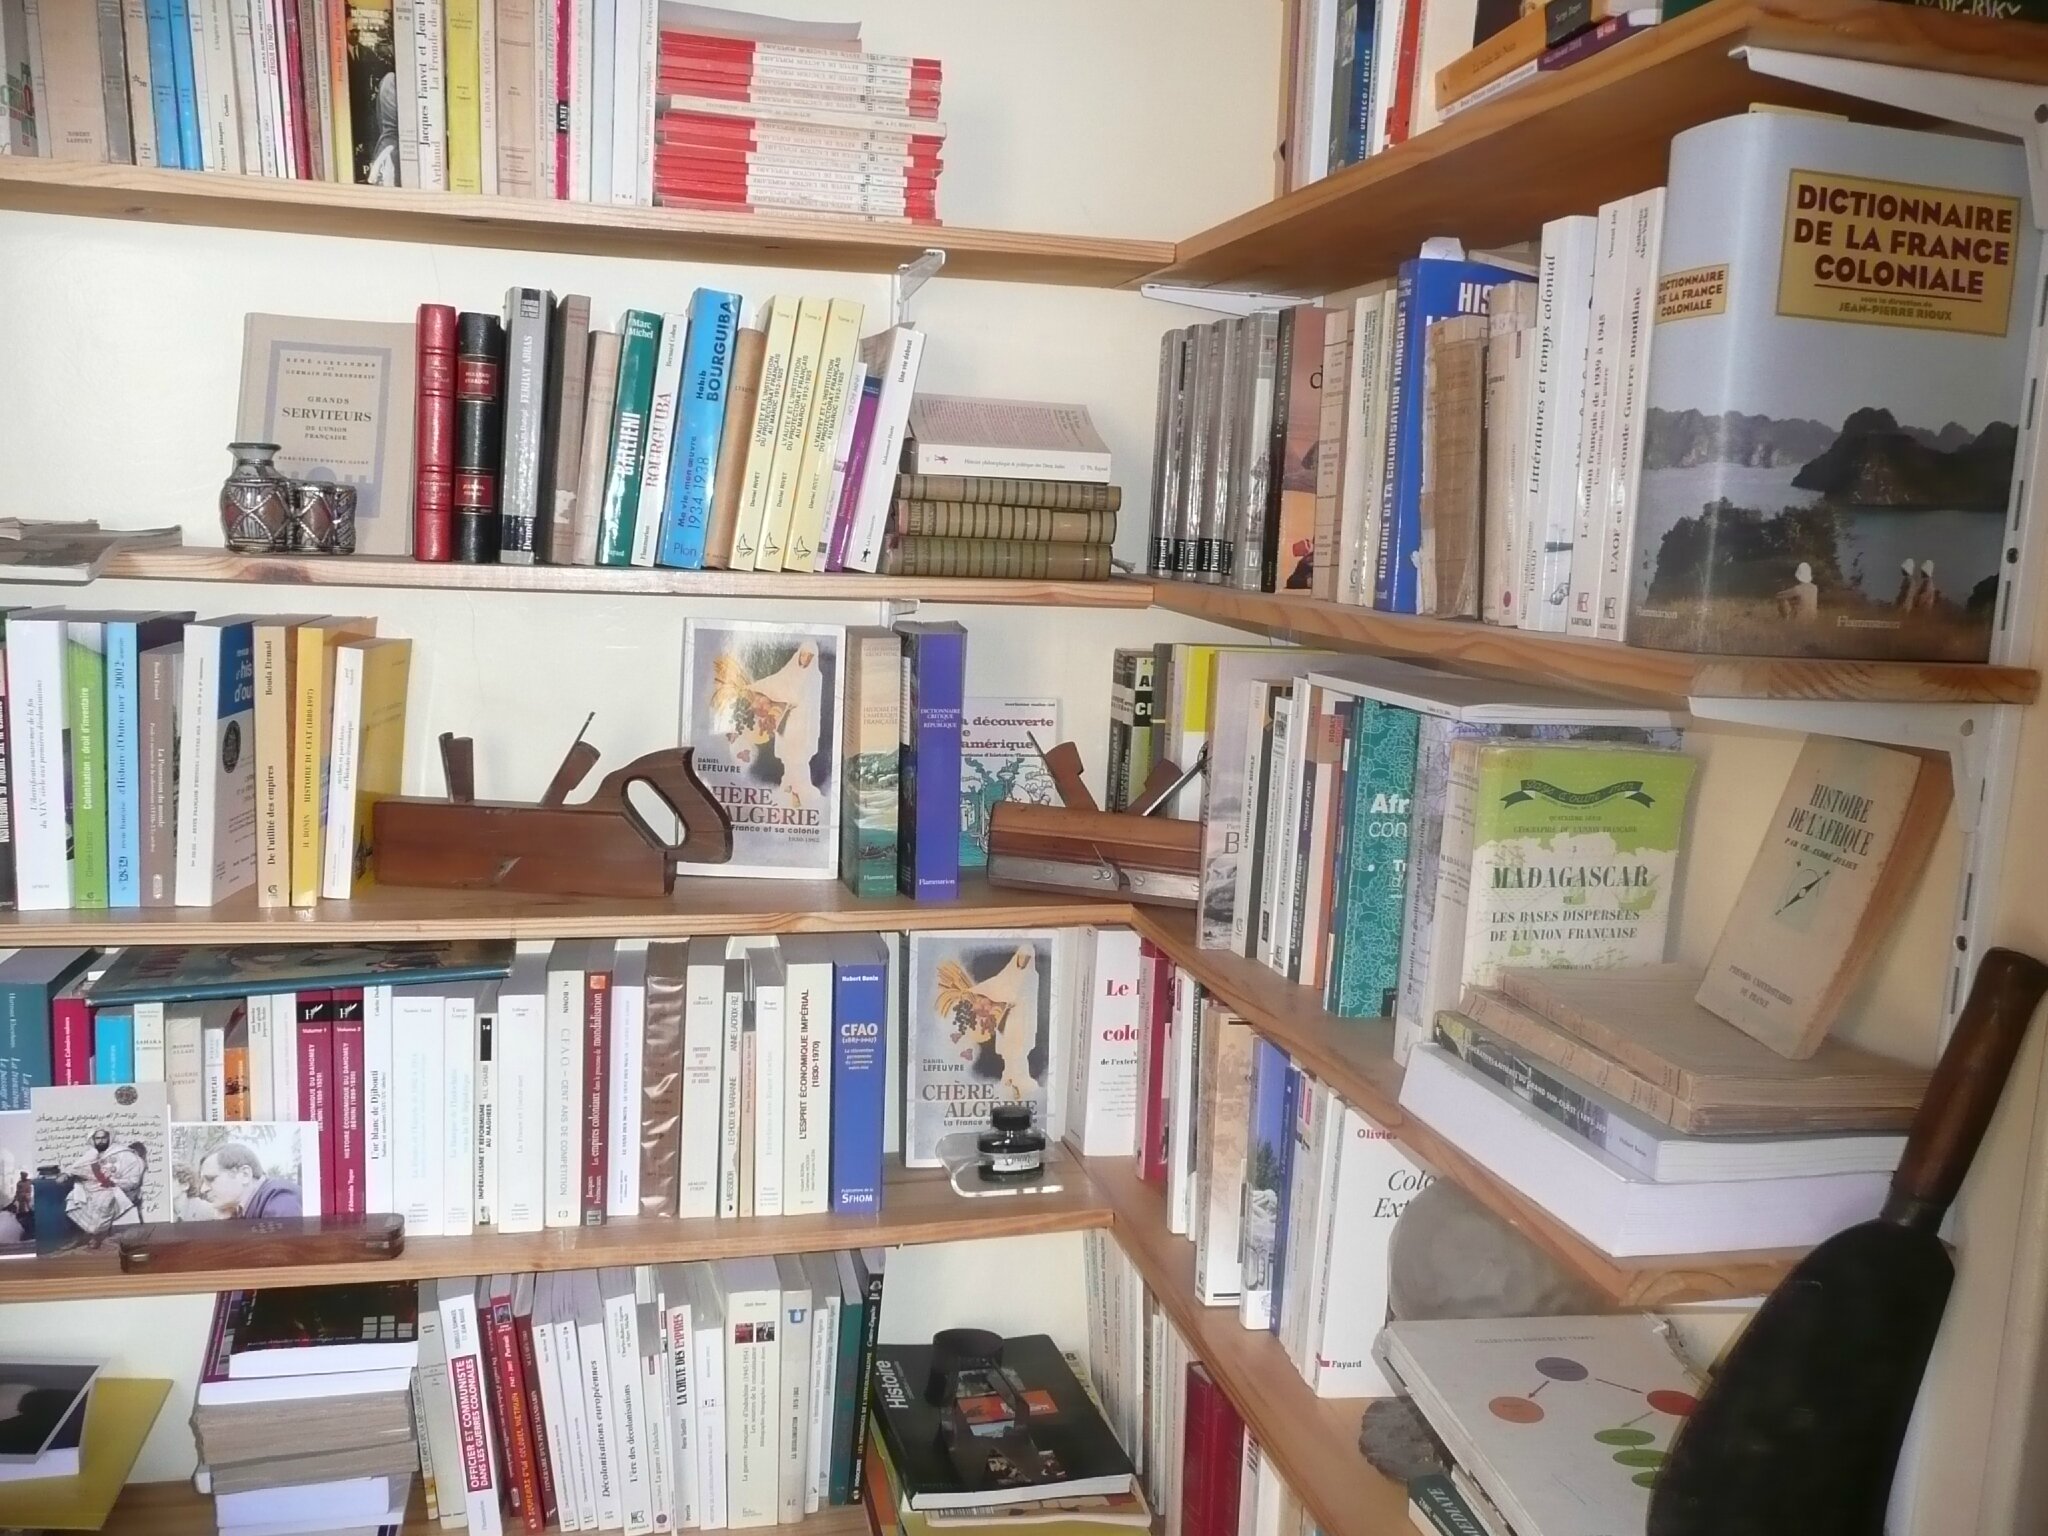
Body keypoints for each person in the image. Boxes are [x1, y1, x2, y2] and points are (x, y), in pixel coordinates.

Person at [60, 1130, 145, 1235]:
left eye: (103, 1138)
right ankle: (85, 1233)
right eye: (98, 1138)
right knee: (74, 1197)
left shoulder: (124, 1154)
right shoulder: (92, 1153)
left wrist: (113, 1182)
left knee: (104, 1201)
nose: (100, 1141)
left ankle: (98, 1234)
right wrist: (67, 1173)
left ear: (109, 1138)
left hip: (115, 1187)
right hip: (94, 1185)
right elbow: (77, 1166)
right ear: (94, 1140)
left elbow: (133, 1181)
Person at [198, 1142, 302, 1219]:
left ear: (245, 1175)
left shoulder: (280, 1202)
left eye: (210, 1179)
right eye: (202, 1182)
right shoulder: (249, 1205)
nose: (203, 1189)